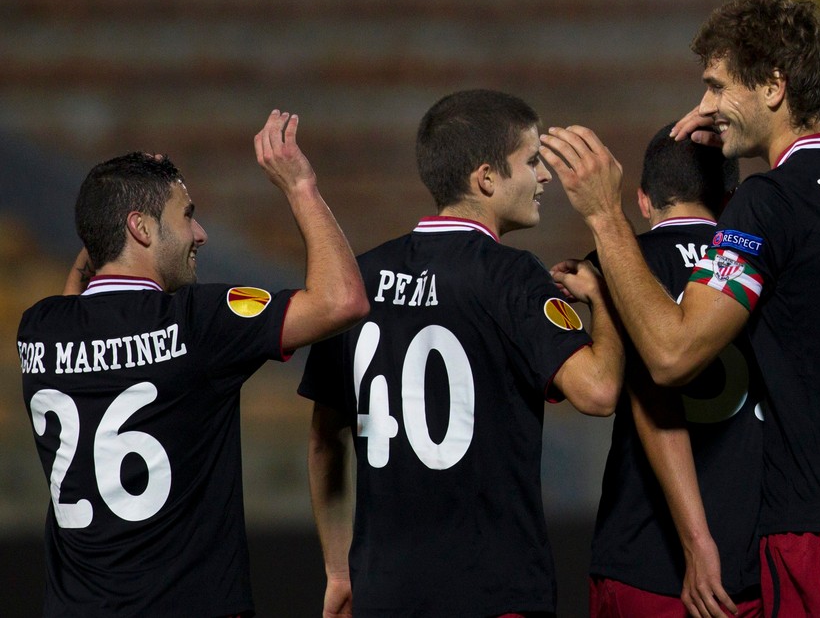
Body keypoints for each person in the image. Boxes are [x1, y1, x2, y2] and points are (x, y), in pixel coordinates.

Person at [540, 0, 820, 616]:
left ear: (773, 85)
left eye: (715, 87)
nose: (706, 105)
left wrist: (606, 216)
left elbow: (672, 354)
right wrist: (732, 122)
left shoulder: (769, 203)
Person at [17, 110, 369, 617]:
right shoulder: (198, 321)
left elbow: (85, 282)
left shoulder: (40, 327)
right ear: (140, 229)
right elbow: (344, 301)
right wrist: (301, 187)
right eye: (187, 215)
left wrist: (121, 206)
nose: (200, 234)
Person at [301, 89, 624, 618]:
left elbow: (324, 439)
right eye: (532, 161)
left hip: (385, 590)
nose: (544, 177)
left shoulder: (356, 278)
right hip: (492, 590)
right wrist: (604, 301)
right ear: (486, 178)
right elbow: (599, 390)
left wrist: (339, 570)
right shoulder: (510, 275)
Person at [587, 124, 763, 618]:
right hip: (745, 561)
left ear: (644, 201)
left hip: (639, 555)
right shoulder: (760, 262)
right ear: (729, 199)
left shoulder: (616, 267)